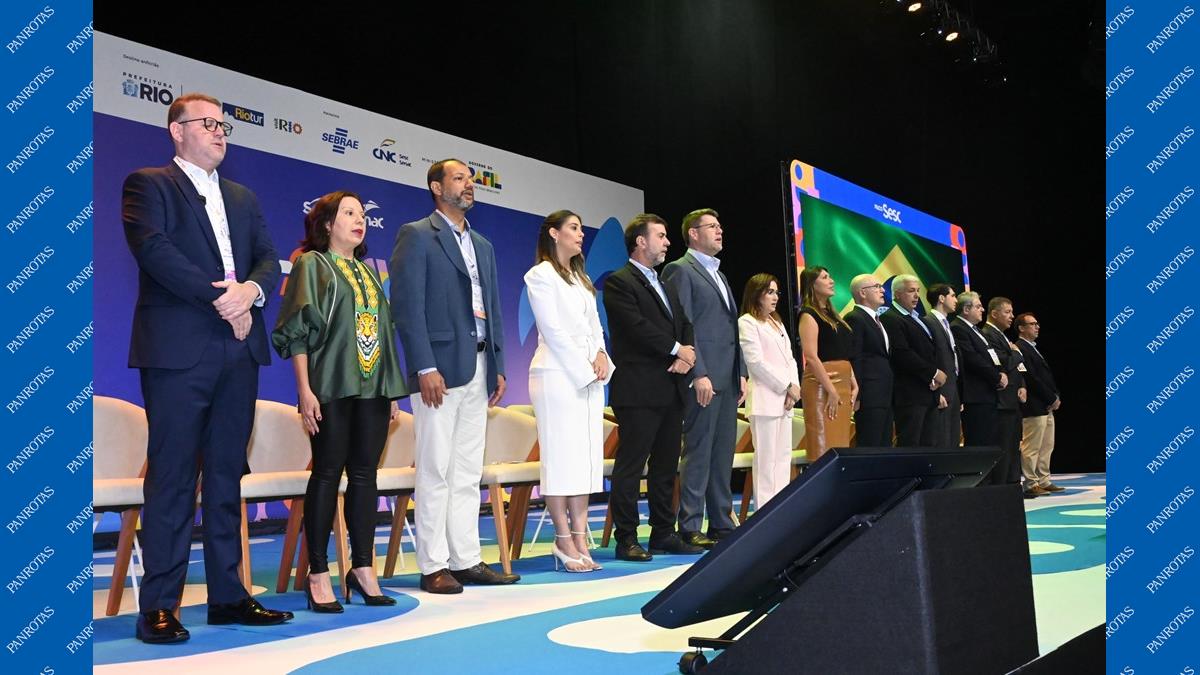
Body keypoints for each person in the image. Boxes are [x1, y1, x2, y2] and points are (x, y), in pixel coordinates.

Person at [122, 92, 290, 643]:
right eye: (208, 123)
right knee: (173, 476)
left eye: (223, 125)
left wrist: (252, 292)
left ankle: (228, 597)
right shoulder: (149, 185)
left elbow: (268, 259)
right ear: (177, 130)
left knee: (225, 475)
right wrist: (225, 300)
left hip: (239, 351)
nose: (220, 132)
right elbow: (155, 251)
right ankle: (159, 606)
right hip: (179, 349)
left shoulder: (242, 197)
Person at [272, 191, 408, 611]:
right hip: (330, 384)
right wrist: (304, 389)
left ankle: (362, 568)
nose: (359, 219)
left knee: (366, 476)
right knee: (327, 473)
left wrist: (389, 389)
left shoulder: (369, 273)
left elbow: (383, 333)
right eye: (349, 213)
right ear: (328, 223)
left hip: (373, 388)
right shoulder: (312, 264)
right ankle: (317, 572)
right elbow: (297, 331)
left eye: (362, 214)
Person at [389, 159, 519, 593]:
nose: (469, 185)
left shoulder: (483, 244)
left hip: (480, 366)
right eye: (459, 178)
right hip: (439, 369)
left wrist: (498, 365)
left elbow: (493, 308)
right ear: (436, 187)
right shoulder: (417, 234)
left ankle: (466, 559)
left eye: (471, 179)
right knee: (435, 468)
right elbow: (407, 305)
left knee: (466, 470)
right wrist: (424, 366)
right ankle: (433, 564)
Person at [602, 214, 703, 562]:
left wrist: (686, 355)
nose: (667, 242)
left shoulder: (665, 283)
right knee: (631, 466)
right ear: (640, 241)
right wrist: (676, 350)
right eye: (660, 236)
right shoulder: (619, 281)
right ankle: (626, 538)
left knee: (665, 466)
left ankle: (663, 533)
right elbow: (636, 327)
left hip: (671, 387)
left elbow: (685, 324)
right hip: (638, 389)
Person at [524, 210, 614, 572]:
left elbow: (595, 326)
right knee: (561, 458)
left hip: (587, 376)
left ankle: (580, 536)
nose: (580, 234)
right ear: (554, 233)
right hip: (556, 375)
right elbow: (554, 331)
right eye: (573, 228)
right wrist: (585, 368)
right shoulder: (540, 275)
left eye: (580, 228)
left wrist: (601, 355)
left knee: (585, 459)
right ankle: (562, 539)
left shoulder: (581, 278)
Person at [662, 208, 746, 549]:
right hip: (704, 376)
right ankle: (690, 524)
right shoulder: (680, 270)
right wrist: (698, 373)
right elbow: (683, 326)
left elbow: (730, 330)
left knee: (722, 453)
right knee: (698, 451)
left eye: (720, 225)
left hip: (728, 376)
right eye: (712, 226)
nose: (720, 230)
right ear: (693, 234)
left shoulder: (719, 274)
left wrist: (741, 373)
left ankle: (721, 522)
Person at [738, 274, 801, 507]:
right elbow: (755, 362)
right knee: (766, 460)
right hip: (765, 399)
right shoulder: (747, 322)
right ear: (757, 294)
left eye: (776, 292)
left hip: (786, 400)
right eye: (770, 292)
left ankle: (782, 508)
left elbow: (790, 359)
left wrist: (794, 387)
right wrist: (786, 386)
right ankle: (765, 510)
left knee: (783, 458)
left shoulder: (777, 322)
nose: (775, 297)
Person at [797, 266, 857, 461]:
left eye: (830, 277)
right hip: (822, 385)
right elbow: (811, 356)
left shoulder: (833, 315)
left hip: (842, 383)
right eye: (824, 277)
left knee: (840, 444)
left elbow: (843, 352)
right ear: (812, 285)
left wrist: (853, 382)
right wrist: (830, 390)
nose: (831, 281)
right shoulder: (808, 314)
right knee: (823, 446)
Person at [880, 275, 945, 447]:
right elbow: (902, 354)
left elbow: (929, 352)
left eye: (918, 291)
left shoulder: (917, 318)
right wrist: (933, 373)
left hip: (928, 391)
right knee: (911, 445)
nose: (916, 296)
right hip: (910, 395)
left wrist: (934, 379)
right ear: (897, 294)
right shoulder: (890, 318)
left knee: (928, 446)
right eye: (911, 291)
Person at [980, 297, 1027, 488]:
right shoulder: (988, 334)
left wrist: (1022, 384)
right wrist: (1016, 353)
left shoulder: (1002, 336)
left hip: (1012, 400)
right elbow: (1004, 363)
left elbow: (1014, 367)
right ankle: (1002, 488)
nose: (1012, 316)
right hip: (1001, 401)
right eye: (1007, 312)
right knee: (1004, 448)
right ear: (994, 313)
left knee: (1013, 448)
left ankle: (1012, 485)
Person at [950, 291, 1004, 452]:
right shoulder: (958, 328)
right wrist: (997, 377)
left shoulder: (976, 330)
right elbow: (972, 359)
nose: (982, 310)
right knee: (978, 442)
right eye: (978, 306)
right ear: (966, 309)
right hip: (975, 395)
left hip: (987, 393)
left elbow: (991, 354)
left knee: (989, 443)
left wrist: (1001, 372)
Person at [1015, 312, 1062, 495]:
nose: (1037, 327)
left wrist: (1055, 397)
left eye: (1037, 324)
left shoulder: (1033, 348)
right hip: (1034, 405)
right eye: (1032, 324)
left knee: (1047, 445)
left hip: (1046, 405)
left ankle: (1044, 479)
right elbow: (1031, 378)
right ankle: (1030, 483)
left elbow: (1046, 377)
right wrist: (1050, 398)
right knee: (1032, 446)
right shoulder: (1020, 347)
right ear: (1021, 328)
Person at [844, 274, 893, 447]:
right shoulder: (855, 318)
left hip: (885, 395)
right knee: (870, 446)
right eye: (877, 286)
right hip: (869, 396)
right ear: (862, 293)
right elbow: (855, 357)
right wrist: (857, 395)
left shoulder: (876, 319)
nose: (882, 290)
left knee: (885, 446)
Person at [922, 283, 962, 448]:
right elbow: (929, 357)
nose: (956, 300)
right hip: (940, 390)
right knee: (940, 441)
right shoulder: (928, 322)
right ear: (941, 298)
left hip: (953, 389)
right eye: (952, 296)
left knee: (952, 441)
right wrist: (937, 392)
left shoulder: (946, 324)